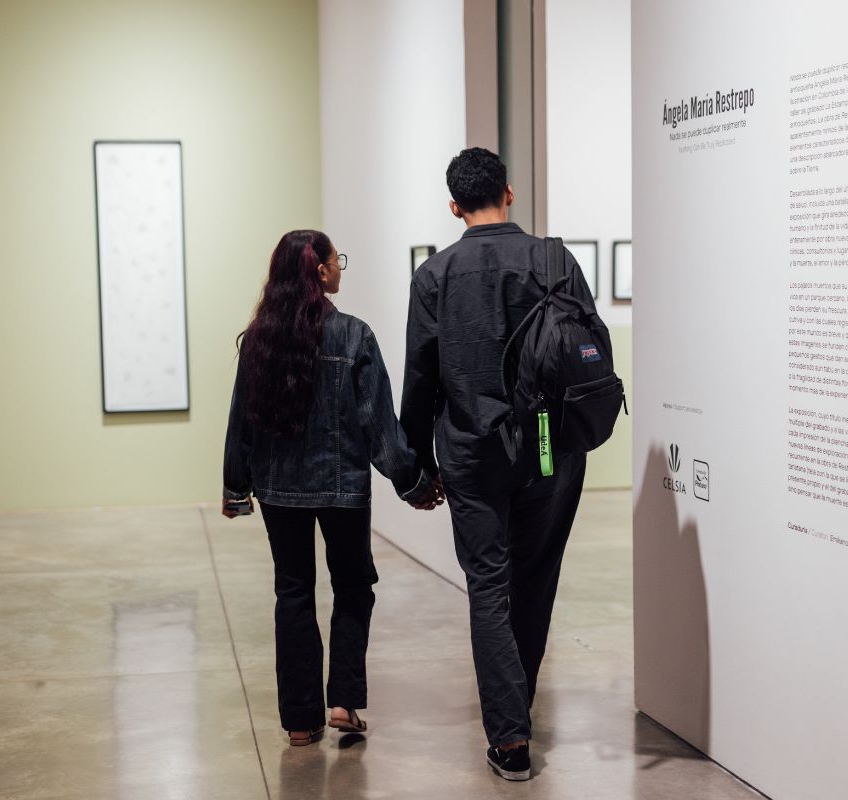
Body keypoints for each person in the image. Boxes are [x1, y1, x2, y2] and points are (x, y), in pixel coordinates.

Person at [400, 148, 594, 781]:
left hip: (471, 453)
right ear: (509, 192)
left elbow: (421, 378)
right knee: (535, 581)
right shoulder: (553, 259)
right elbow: (586, 350)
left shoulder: (435, 276)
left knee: (488, 585)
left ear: (454, 207)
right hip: (550, 449)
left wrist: (416, 466)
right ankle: (517, 707)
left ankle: (510, 739)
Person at [223, 229, 443, 747]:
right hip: (343, 488)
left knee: (293, 592)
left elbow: (241, 421)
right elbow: (377, 425)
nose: (340, 268)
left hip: (280, 491)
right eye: (335, 260)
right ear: (320, 271)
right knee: (352, 587)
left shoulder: (260, 338)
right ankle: (342, 701)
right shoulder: (353, 336)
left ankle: (301, 722)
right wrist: (412, 481)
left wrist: (238, 487)